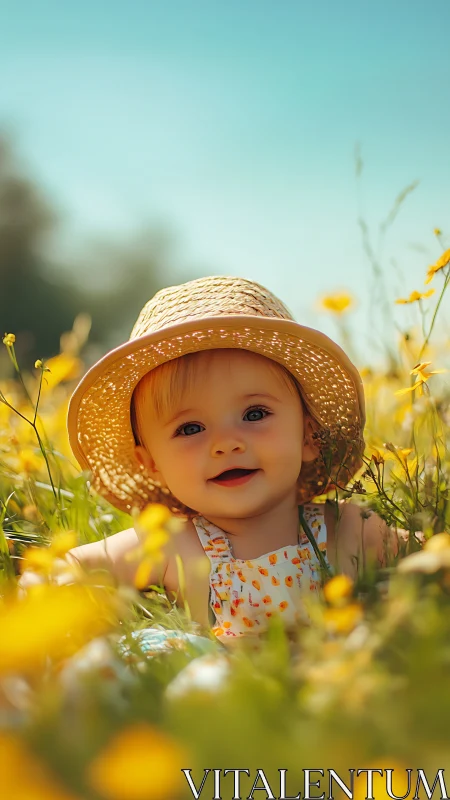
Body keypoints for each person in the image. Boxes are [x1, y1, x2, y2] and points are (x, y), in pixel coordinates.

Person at [21, 276, 397, 650]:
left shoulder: (349, 529)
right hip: (216, 695)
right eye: (190, 428)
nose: (226, 444)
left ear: (308, 436)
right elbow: (68, 565)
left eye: (254, 414)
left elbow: (430, 555)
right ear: (152, 464)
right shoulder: (171, 544)